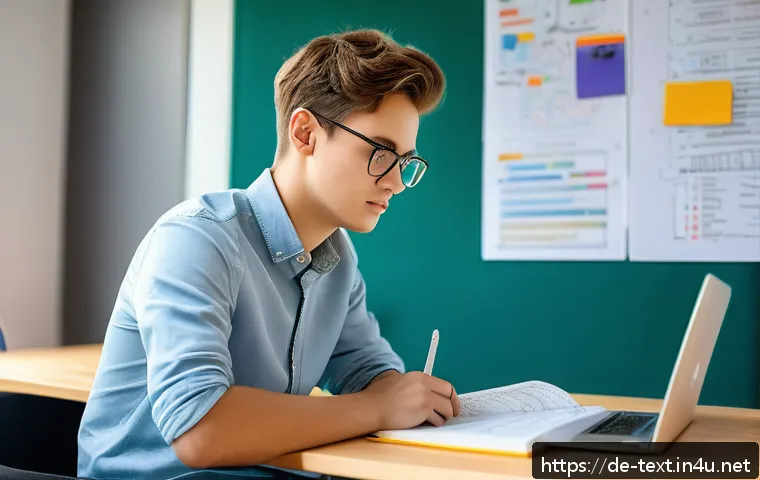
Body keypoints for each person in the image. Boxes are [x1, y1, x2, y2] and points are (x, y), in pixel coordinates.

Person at [77, 28, 460, 480]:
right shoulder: (197, 238)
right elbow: (201, 430)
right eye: (381, 152)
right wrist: (378, 407)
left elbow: (363, 368)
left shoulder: (336, 255)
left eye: (406, 162)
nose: (396, 182)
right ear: (305, 134)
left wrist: (404, 394)